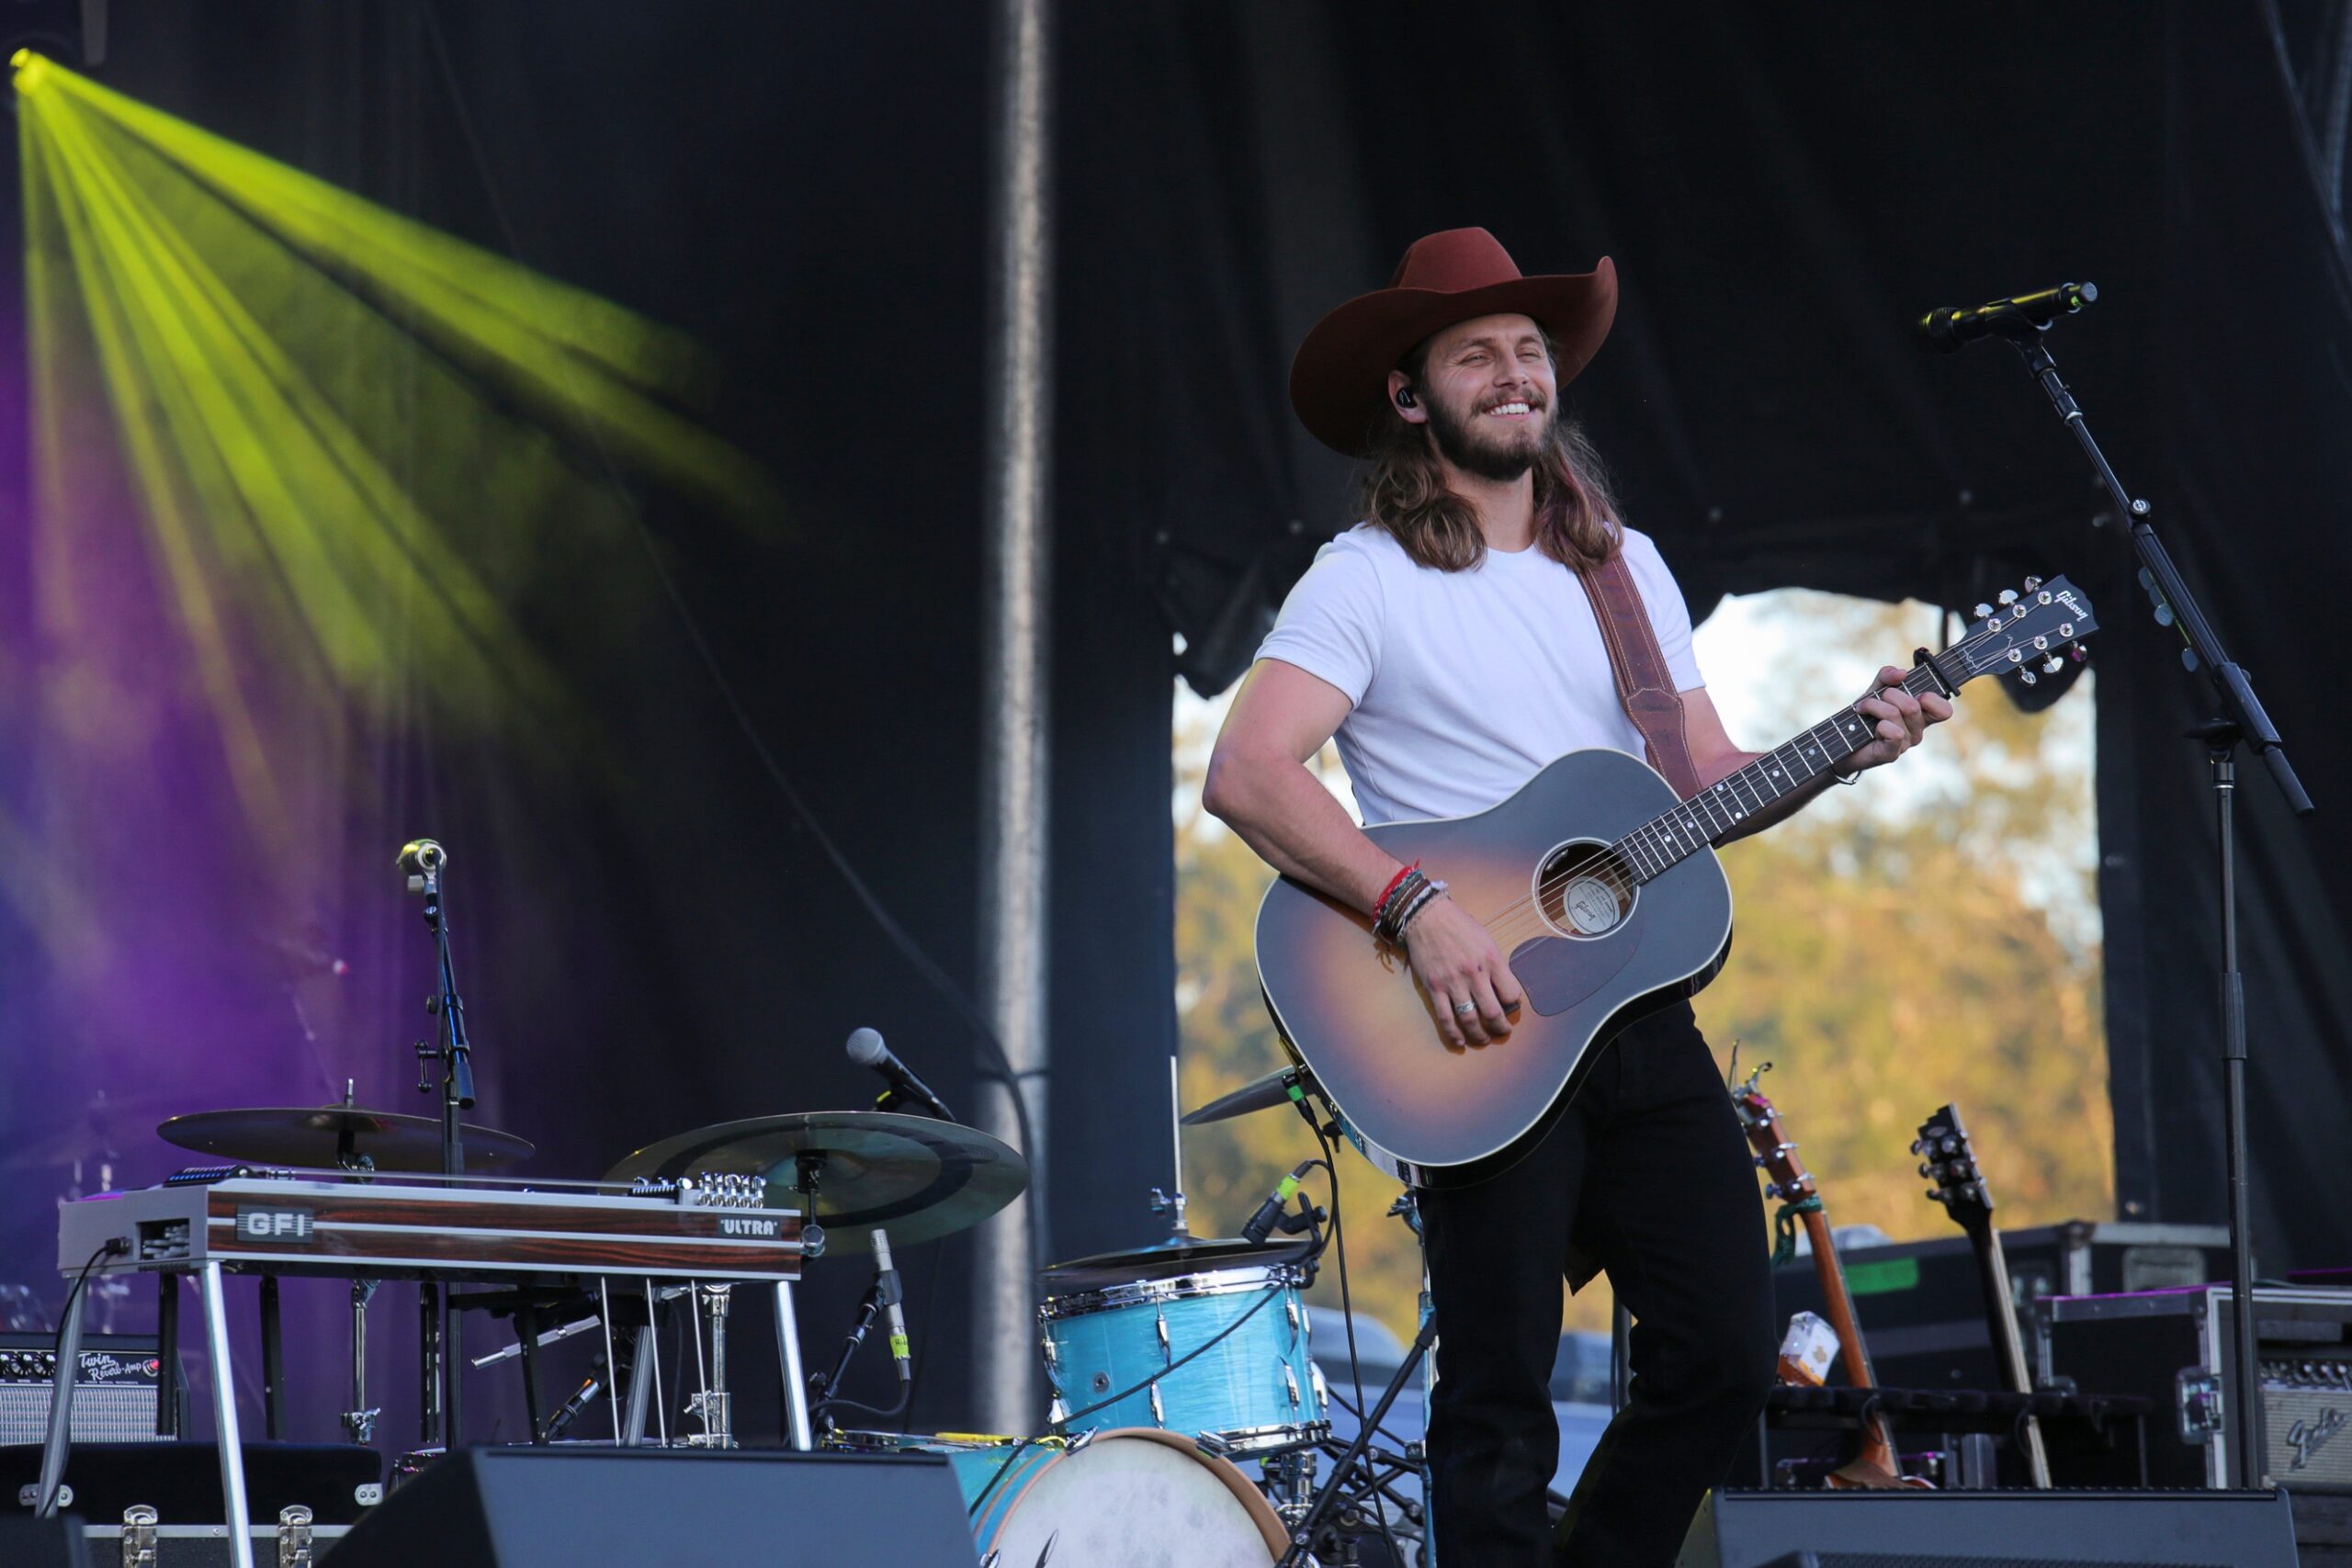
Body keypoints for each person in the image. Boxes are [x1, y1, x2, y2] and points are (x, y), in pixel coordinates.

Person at [1201, 228, 1951, 1566]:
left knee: (1726, 1351)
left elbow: (1708, 778)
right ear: (1411, 394)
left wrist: (1850, 742)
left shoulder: (1623, 567)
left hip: (1638, 1014)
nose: (1514, 373)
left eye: (1531, 350)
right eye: (1476, 353)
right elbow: (1250, 772)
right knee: (1499, 1396)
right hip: (1471, 1020)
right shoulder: (1364, 579)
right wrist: (1416, 906)